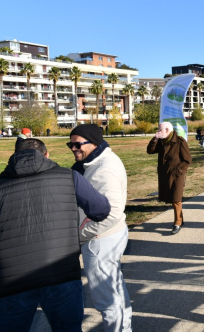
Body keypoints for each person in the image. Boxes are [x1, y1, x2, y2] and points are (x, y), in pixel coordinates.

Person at [0, 139, 110, 332]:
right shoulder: (69, 176)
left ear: (14, 155)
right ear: (47, 154)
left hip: (13, 277)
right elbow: (100, 209)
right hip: (60, 272)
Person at [70, 124, 133, 332]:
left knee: (106, 299)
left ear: (93, 142)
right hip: (102, 237)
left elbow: (111, 214)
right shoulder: (94, 162)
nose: (73, 148)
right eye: (70, 144)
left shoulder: (104, 168)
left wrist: (79, 235)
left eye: (78, 144)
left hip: (100, 240)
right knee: (114, 291)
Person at [147, 122, 192, 235]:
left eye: (160, 130)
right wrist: (155, 139)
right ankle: (180, 219)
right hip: (165, 174)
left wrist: (177, 171)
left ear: (167, 130)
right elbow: (150, 150)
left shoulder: (180, 141)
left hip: (177, 174)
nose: (158, 132)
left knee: (176, 198)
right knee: (173, 198)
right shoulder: (162, 141)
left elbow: (187, 160)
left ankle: (177, 222)